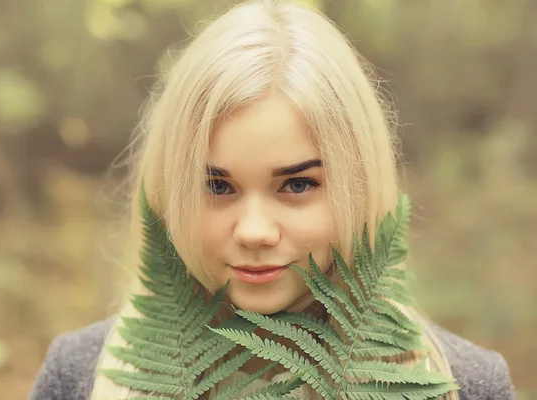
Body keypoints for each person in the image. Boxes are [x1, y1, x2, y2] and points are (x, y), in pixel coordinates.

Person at [28, 1, 517, 399]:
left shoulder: (467, 384)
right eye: (217, 186)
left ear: (358, 188)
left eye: (298, 185)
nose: (254, 231)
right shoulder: (78, 376)